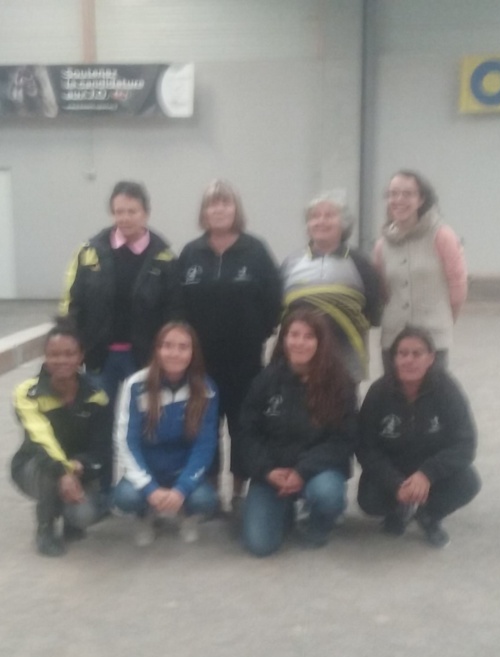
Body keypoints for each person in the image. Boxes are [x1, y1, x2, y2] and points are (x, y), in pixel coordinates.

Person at [178, 179, 282, 511]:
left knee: (242, 426)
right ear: (204, 212)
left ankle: (238, 491)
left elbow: (274, 301)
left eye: (225, 203)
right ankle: (209, 490)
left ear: (236, 209)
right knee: (203, 426)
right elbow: (178, 306)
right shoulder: (190, 253)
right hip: (200, 363)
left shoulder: (256, 251)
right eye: (213, 204)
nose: (219, 209)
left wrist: (258, 333)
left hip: (244, 362)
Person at [239, 309, 356, 557]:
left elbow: (343, 440)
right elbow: (247, 433)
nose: (300, 342)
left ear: (321, 342)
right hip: (273, 472)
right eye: (294, 335)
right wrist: (267, 471)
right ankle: (284, 509)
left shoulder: (340, 383)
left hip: (317, 472)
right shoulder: (265, 380)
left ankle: (318, 524)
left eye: (308, 336)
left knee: (326, 494)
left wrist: (302, 471)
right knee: (260, 545)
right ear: (283, 339)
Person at [356, 326, 480, 548]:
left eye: (417, 354)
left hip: (432, 473)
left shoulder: (447, 389)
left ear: (430, 358)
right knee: (369, 499)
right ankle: (398, 510)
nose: (409, 360)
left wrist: (427, 474)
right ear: (394, 359)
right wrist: (395, 483)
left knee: (469, 482)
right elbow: (365, 447)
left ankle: (429, 515)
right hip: (394, 470)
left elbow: (465, 443)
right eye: (402, 354)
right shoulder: (379, 392)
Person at [60, 180, 181, 405]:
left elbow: (173, 313)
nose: (125, 218)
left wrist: (166, 353)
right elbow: (72, 304)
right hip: (98, 358)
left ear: (146, 213)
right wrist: (72, 346)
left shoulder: (165, 259)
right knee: (99, 416)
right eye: (119, 212)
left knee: (143, 416)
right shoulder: (88, 253)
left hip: (144, 359)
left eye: (132, 211)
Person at [11, 317, 111, 557]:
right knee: (49, 471)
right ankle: (45, 528)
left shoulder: (96, 395)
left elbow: (102, 448)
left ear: (81, 356)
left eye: (69, 354)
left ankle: (71, 523)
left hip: (78, 467)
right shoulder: (27, 393)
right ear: (45, 357)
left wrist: (80, 465)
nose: (62, 360)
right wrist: (64, 471)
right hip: (36, 465)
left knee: (85, 514)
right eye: (54, 354)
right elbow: (41, 440)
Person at [113, 322, 219, 546]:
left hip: (182, 470)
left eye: (183, 347)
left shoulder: (206, 389)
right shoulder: (135, 385)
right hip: (148, 468)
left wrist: (182, 489)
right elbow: (126, 440)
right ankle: (145, 515)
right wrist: (149, 488)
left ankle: (185, 514)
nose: (175, 353)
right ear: (157, 349)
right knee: (125, 497)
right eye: (167, 346)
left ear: (193, 352)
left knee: (206, 500)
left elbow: (205, 445)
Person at [282, 193, 382, 383]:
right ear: (308, 225)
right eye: (315, 216)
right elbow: (279, 311)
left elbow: (374, 312)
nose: (321, 221)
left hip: (346, 362)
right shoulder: (290, 263)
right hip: (299, 364)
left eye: (329, 215)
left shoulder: (361, 263)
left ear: (344, 223)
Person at [373, 170, 468, 371]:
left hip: (433, 340)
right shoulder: (382, 245)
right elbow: (382, 292)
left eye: (407, 194)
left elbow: (458, 286)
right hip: (394, 340)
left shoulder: (442, 236)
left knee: (433, 390)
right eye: (393, 194)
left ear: (421, 199)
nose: (399, 200)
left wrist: (443, 322)